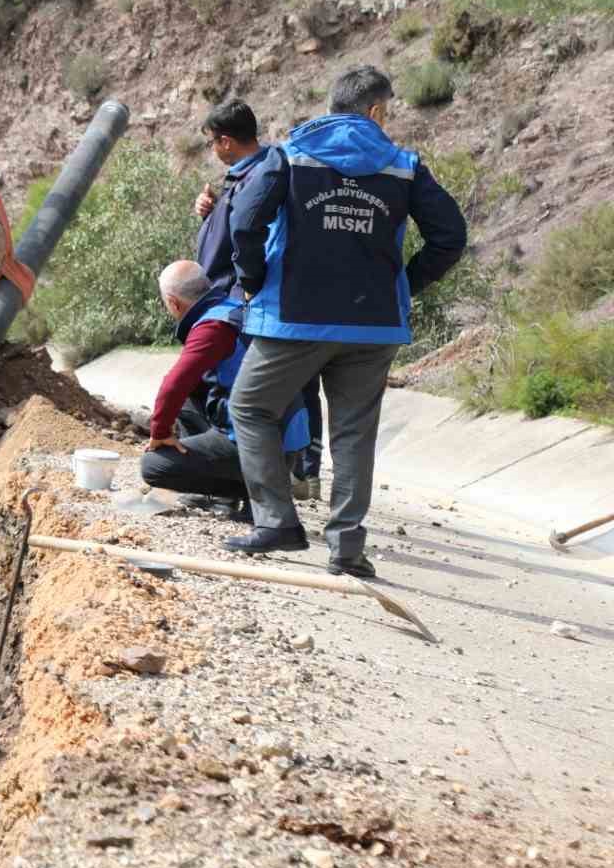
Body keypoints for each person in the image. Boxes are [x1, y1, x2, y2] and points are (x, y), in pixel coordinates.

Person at [226, 65, 467, 576]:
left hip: (295, 319)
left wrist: (252, 279)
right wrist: (402, 285)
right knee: (354, 434)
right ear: (376, 111)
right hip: (373, 326)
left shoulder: (288, 157)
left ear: (334, 105)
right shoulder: (404, 166)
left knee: (250, 408)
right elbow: (450, 237)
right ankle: (347, 550)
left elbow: (245, 221)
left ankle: (277, 522)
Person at [141, 261, 310, 514]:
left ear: (173, 302)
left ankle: (258, 492)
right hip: (286, 434)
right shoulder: (236, 309)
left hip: (260, 442)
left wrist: (160, 432)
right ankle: (255, 489)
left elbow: (174, 384)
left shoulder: (212, 328)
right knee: (192, 395)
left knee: (153, 465)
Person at [191, 99, 285, 298]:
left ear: (225, 142)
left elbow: (247, 231)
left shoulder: (262, 176)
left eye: (211, 143)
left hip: (234, 299)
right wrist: (213, 212)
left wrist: (249, 289)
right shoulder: (250, 173)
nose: (212, 149)